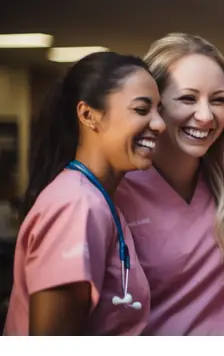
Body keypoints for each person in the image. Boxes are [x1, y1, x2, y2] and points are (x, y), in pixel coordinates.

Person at [3, 51, 165, 335]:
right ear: (88, 115)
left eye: (159, 111)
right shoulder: (76, 205)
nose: (160, 124)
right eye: (142, 110)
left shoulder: (96, 197)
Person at [114, 33, 224, 336]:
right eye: (187, 98)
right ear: (153, 104)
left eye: (217, 100)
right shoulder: (119, 184)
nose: (205, 116)